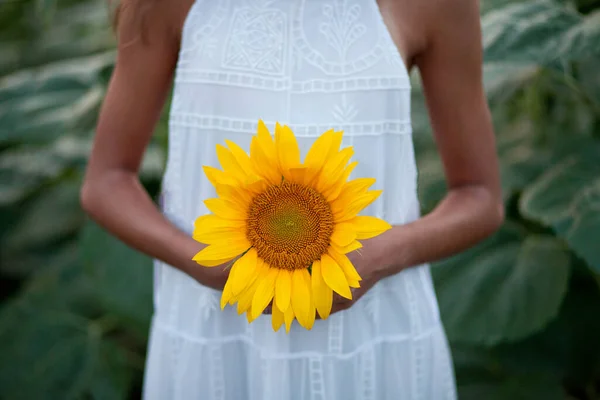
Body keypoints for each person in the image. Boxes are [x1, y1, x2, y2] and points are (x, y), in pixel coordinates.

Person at [81, 0, 503, 398]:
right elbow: (107, 181)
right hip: (213, 340)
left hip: (372, 343)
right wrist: (206, 264)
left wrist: (381, 254)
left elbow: (479, 196)